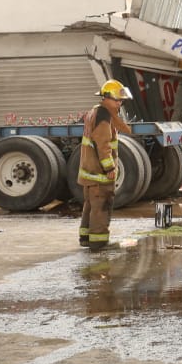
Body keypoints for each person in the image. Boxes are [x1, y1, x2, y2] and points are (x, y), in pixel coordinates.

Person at [77, 79, 133, 251]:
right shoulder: (103, 116)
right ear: (106, 98)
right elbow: (103, 145)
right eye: (117, 100)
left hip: (90, 172)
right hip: (100, 173)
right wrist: (109, 168)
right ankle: (99, 241)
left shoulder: (95, 111)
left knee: (90, 206)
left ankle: (86, 238)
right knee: (101, 206)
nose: (120, 103)